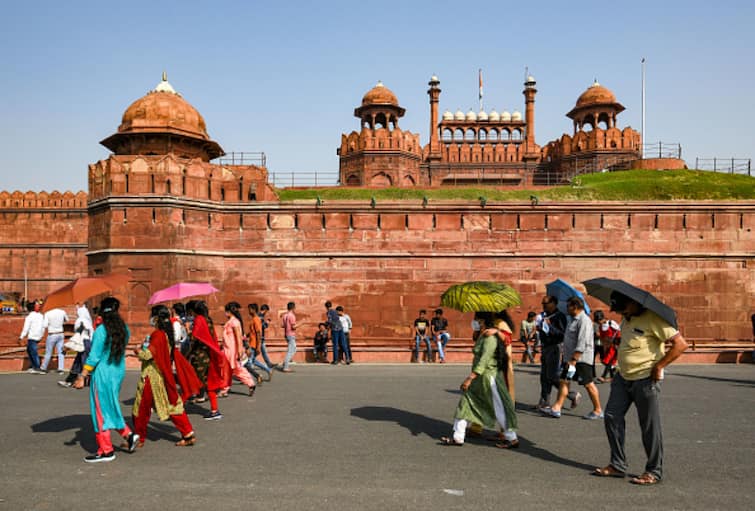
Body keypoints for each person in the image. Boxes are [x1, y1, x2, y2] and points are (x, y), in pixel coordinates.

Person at [593, 290, 689, 485]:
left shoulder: (654, 319)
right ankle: (618, 465)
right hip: (623, 377)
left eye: (624, 309)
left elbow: (680, 344)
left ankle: (654, 471)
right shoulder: (627, 319)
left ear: (634, 303)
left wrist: (660, 366)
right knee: (611, 416)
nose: (622, 314)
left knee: (648, 425)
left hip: (645, 378)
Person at [72, 297, 138, 463]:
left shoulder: (102, 331)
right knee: (109, 405)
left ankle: (106, 450)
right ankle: (128, 435)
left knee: (100, 411)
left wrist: (82, 376)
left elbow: (94, 356)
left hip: (103, 373)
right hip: (117, 371)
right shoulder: (124, 329)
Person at [440, 311, 518, 448]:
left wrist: (470, 378)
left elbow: (484, 360)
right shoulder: (483, 335)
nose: (474, 322)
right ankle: (458, 436)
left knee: (499, 407)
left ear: (483, 321)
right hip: (479, 378)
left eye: (477, 320)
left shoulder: (490, 337)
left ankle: (511, 438)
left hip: (488, 377)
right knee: (465, 403)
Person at [132, 305, 201, 448]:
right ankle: (188, 433)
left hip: (152, 375)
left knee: (140, 408)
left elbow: (148, 355)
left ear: (156, 318)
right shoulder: (166, 334)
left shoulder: (157, 334)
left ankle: (138, 437)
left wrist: (138, 350)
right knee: (173, 405)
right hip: (163, 375)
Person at [541, 297, 602, 419]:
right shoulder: (572, 320)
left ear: (574, 306)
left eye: (568, 306)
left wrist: (574, 359)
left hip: (581, 359)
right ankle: (556, 408)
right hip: (569, 358)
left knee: (588, 384)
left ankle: (598, 409)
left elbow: (582, 341)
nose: (566, 308)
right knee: (564, 381)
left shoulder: (584, 320)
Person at [187, 300, 230, 419]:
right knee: (208, 384)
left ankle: (176, 408)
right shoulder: (207, 319)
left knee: (190, 380)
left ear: (192, 310)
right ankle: (215, 410)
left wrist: (188, 332)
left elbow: (195, 338)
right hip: (207, 355)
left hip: (200, 356)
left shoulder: (199, 320)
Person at [219, 302, 257, 397]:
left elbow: (238, 337)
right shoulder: (231, 321)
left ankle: (250, 383)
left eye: (226, 311)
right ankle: (225, 388)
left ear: (228, 312)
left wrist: (240, 351)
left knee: (236, 369)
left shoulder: (234, 322)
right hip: (228, 349)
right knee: (227, 370)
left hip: (232, 350)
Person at [536, 296, 568, 410]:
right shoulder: (544, 316)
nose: (543, 306)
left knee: (553, 376)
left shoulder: (560, 316)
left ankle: (571, 394)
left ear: (554, 303)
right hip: (545, 347)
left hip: (555, 347)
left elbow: (562, 334)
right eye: (542, 303)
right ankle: (544, 401)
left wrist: (549, 326)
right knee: (544, 376)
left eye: (546, 303)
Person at [59, 304, 94, 387]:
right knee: (79, 362)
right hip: (87, 342)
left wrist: (67, 346)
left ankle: (74, 380)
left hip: (82, 342)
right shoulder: (88, 321)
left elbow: (78, 334)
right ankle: (71, 380)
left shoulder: (80, 321)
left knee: (83, 362)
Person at [246, 303, 273, 380]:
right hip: (252, 342)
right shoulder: (254, 319)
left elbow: (259, 333)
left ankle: (249, 378)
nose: (248, 311)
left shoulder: (256, 319)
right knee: (253, 360)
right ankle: (268, 370)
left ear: (253, 310)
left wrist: (258, 346)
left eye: (250, 309)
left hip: (254, 344)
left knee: (249, 361)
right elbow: (252, 332)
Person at [18, 302, 45, 373]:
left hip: (32, 336)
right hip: (38, 336)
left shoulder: (29, 317)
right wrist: (41, 335)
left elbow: (26, 328)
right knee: (30, 351)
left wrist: (21, 337)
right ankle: (32, 366)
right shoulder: (41, 316)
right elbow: (43, 327)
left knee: (33, 352)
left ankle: (36, 367)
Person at [594, 310, 621, 383]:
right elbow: (602, 338)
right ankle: (613, 374)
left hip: (614, 345)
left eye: (599, 320)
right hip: (608, 346)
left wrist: (617, 343)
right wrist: (604, 346)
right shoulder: (601, 327)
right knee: (606, 361)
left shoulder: (611, 323)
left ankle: (603, 376)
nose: (599, 322)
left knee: (608, 360)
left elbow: (619, 332)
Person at [40, 307, 69, 374]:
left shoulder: (48, 313)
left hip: (52, 334)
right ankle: (61, 369)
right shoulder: (62, 311)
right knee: (61, 352)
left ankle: (43, 368)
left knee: (48, 352)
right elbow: (67, 320)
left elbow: (45, 325)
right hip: (60, 333)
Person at [281, 302, 297, 373]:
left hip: (287, 334)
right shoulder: (292, 316)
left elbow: (283, 325)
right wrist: (301, 324)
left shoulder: (285, 315)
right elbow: (293, 327)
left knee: (292, 349)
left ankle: (285, 363)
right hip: (291, 334)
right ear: (293, 308)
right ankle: (286, 366)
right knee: (291, 351)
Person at [258, 304, 274, 368]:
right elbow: (262, 326)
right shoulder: (260, 317)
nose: (266, 313)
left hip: (260, 337)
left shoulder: (259, 316)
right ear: (265, 310)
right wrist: (267, 323)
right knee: (254, 353)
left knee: (263, 351)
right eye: (266, 311)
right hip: (260, 337)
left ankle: (269, 363)